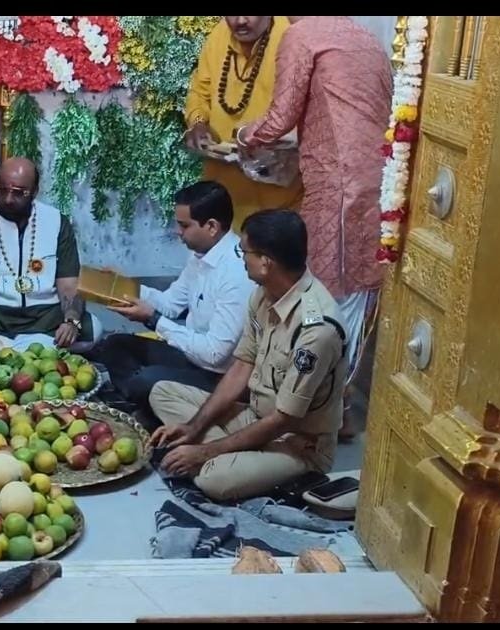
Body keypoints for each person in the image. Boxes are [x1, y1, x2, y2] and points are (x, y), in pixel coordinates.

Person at [148, 209, 346, 502]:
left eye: (244, 252)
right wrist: (194, 427)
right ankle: (229, 453)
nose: (241, 259)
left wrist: (204, 450)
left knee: (213, 479)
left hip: (293, 444)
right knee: (161, 392)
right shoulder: (263, 295)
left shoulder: (316, 330)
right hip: (253, 418)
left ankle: (222, 458)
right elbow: (242, 366)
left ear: (266, 262)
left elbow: (283, 419)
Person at [236, 16, 391, 382]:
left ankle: (317, 403)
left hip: (336, 181)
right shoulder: (362, 36)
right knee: (356, 289)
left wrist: (244, 135)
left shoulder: (303, 35)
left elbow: (281, 117)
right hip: (376, 179)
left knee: (324, 290)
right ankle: (339, 398)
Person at [90, 182, 254, 408]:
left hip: (219, 376)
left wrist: (153, 320)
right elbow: (170, 304)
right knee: (114, 346)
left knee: (147, 380)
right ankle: (146, 402)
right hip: (190, 356)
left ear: (212, 226)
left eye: (184, 226)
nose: (178, 232)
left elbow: (215, 354)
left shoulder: (236, 273)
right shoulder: (200, 255)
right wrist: (124, 285)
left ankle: (147, 401)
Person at [0, 157, 100, 351]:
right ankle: (28, 350)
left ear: (34, 192)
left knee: (93, 327)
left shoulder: (56, 222)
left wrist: (71, 322)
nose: (8, 199)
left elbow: (69, 284)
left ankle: (3, 352)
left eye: (18, 193)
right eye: (2, 190)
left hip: (45, 318)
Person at [184, 16, 303, 226]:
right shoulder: (219, 35)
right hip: (222, 194)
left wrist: (271, 144)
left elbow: (307, 110)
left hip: (277, 200)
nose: (240, 21)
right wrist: (198, 122)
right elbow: (199, 91)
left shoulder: (292, 38)